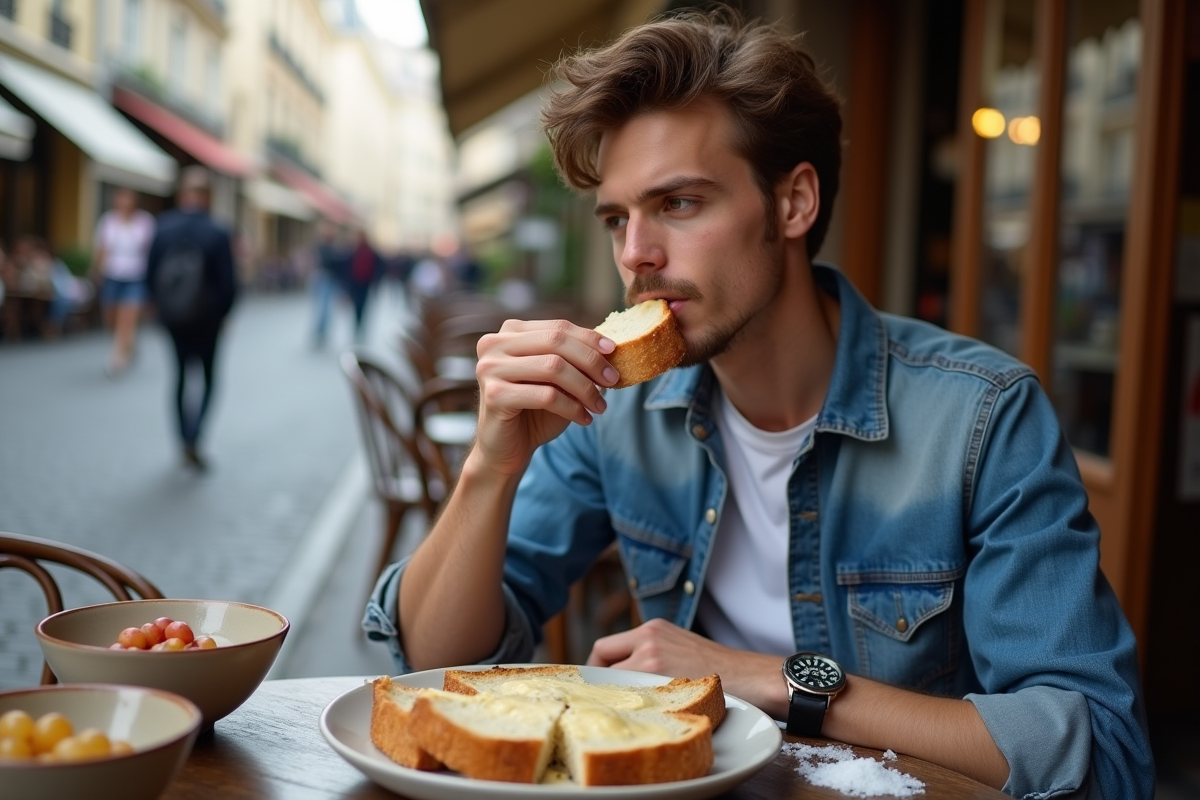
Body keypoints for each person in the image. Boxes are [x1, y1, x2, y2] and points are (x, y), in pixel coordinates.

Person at [362, 12, 1152, 800]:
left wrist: (770, 679)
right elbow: (431, 663)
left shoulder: (982, 420)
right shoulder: (621, 415)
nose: (635, 253)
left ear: (794, 204)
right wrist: (491, 468)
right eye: (617, 217)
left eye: (678, 203)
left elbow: (1097, 749)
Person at [145, 166, 237, 471]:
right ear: (208, 196)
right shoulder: (218, 230)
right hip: (208, 319)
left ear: (183, 194)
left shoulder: (163, 227)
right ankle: (195, 437)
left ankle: (182, 440)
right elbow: (228, 283)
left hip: (174, 318)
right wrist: (224, 315)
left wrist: (160, 309)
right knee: (209, 378)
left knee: (180, 376)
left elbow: (150, 273)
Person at [92, 187, 156, 375]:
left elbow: (150, 250)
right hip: (112, 275)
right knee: (111, 317)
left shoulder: (144, 222)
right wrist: (97, 272)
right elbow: (102, 249)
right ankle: (129, 343)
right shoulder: (108, 221)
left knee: (127, 317)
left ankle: (117, 358)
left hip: (136, 276)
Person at [310, 220, 346, 348]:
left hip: (331, 279)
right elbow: (326, 261)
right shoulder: (322, 246)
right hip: (324, 278)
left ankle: (322, 334)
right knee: (322, 308)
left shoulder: (334, 246)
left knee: (326, 309)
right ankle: (319, 333)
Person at [344, 229, 381, 343]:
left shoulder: (370, 251)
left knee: (363, 307)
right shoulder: (353, 250)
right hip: (355, 283)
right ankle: (357, 328)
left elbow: (378, 266)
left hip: (365, 283)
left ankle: (361, 328)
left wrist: (376, 280)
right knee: (356, 307)